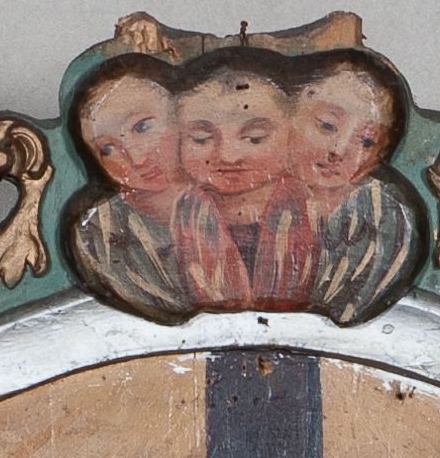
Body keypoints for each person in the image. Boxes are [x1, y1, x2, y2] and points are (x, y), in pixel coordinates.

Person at [168, 67, 319, 310]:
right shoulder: (176, 218)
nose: (228, 156)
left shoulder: (319, 214)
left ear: (292, 135)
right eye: (201, 138)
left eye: (255, 138)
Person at [289, 61, 421, 323]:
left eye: (366, 141)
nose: (338, 150)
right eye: (327, 125)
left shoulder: (380, 216)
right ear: (289, 116)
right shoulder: (254, 195)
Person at [67, 70, 193, 322]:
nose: (136, 159)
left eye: (142, 127)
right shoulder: (100, 233)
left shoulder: (237, 201)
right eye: (107, 149)